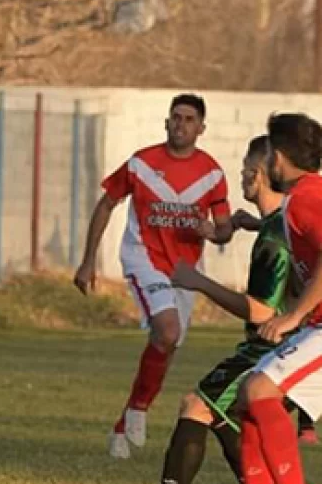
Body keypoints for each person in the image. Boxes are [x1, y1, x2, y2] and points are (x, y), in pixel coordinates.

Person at [73, 94, 235, 458]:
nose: (180, 124)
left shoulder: (212, 172)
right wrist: (88, 262)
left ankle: (127, 417)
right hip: (144, 259)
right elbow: (106, 203)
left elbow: (224, 229)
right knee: (168, 331)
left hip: (185, 270)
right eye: (175, 117)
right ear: (166, 123)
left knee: (167, 345)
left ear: (201, 128)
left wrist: (210, 231)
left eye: (189, 119)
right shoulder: (142, 163)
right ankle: (139, 410)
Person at [160, 135, 302, 484]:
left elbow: (259, 312)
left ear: (257, 175)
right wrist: (250, 223)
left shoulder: (272, 239)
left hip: (273, 347)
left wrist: (198, 281)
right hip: (289, 345)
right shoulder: (286, 219)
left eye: (243, 170)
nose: (240, 177)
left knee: (197, 405)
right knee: (225, 414)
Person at [239, 113, 322, 484]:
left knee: (259, 390)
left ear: (278, 158)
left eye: (269, 149)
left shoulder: (308, 198)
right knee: (249, 395)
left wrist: (293, 316)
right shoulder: (300, 199)